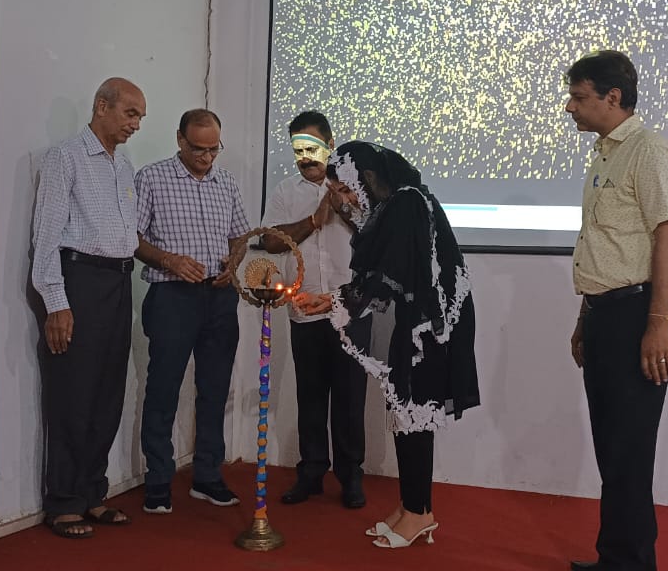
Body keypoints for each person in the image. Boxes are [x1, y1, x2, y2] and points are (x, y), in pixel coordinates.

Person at [293, 141, 479, 549]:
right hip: (415, 323)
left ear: (368, 178)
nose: (344, 199)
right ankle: (412, 507)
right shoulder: (397, 204)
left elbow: (392, 272)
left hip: (429, 328)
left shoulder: (407, 202)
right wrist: (336, 299)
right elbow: (384, 270)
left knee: (415, 414)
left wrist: (338, 299)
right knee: (405, 413)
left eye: (346, 188)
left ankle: (419, 513)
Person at [563, 50, 668, 571]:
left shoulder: (648, 151)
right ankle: (615, 558)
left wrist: (658, 324)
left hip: (637, 316)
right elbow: (605, 247)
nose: (570, 107)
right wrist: (584, 318)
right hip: (604, 316)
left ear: (613, 97)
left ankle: (632, 564)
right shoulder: (604, 155)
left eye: (579, 97)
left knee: (630, 453)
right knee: (612, 450)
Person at [31, 77, 146, 539]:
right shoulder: (66, 157)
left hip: (119, 281)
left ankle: (93, 493)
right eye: (130, 113)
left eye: (140, 117)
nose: (136, 124)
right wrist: (57, 303)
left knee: (107, 393)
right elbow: (46, 235)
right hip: (79, 280)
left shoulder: (124, 165)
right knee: (73, 393)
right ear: (102, 106)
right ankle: (63, 502)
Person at [133, 108, 250, 513]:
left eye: (214, 149)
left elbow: (240, 236)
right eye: (199, 149)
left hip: (219, 297)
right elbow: (132, 237)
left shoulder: (226, 183)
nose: (207, 157)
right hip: (172, 297)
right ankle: (158, 480)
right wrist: (169, 260)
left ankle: (208, 475)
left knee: (215, 389)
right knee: (163, 388)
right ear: (180, 140)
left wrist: (233, 264)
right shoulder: (152, 178)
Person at [259, 111, 368, 509]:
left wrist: (344, 209)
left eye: (313, 148)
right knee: (310, 396)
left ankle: (351, 477)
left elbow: (375, 235)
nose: (305, 158)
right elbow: (270, 242)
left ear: (330, 144)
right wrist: (313, 219)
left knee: (350, 398)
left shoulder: (356, 187)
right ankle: (311, 472)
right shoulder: (285, 192)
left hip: (349, 308)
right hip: (304, 307)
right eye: (298, 150)